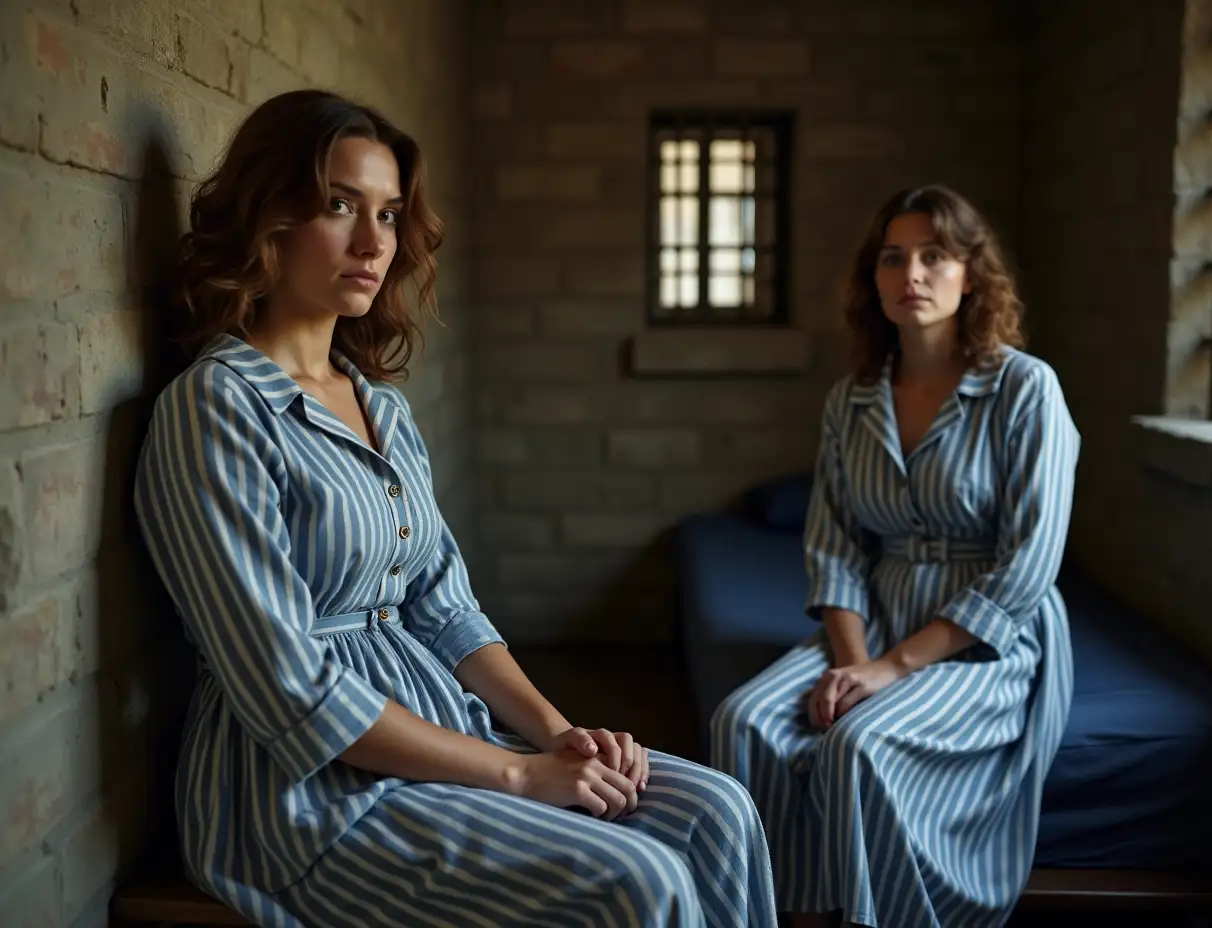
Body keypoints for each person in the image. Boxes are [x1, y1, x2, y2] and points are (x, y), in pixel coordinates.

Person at [133, 88, 776, 928]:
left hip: (443, 725)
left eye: (391, 215)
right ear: (268, 220)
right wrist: (515, 775)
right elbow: (286, 687)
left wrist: (556, 736)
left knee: (719, 812)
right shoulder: (214, 409)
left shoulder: (380, 407)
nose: (374, 243)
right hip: (305, 792)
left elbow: (445, 609)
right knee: (638, 883)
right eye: (339, 206)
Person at [710, 185, 1080, 928]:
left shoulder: (1024, 389)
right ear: (873, 278)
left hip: (983, 636)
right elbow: (835, 543)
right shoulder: (852, 401)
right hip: (874, 616)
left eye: (934, 256)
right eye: (893, 257)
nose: (912, 273)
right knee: (740, 721)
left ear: (970, 274)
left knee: (858, 745)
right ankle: (774, 912)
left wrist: (892, 670)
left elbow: (1029, 563)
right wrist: (852, 662)